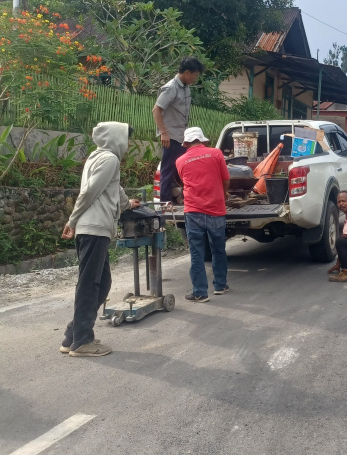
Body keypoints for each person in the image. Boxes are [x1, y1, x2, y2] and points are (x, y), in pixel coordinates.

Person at [60, 122, 140, 357]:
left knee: (102, 283)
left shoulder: (99, 158)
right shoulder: (110, 159)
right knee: (90, 284)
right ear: (116, 138)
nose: (127, 144)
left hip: (96, 229)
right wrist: (72, 221)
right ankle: (82, 342)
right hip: (93, 228)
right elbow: (89, 192)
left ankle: (72, 335)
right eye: (126, 139)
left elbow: (114, 188)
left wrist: (128, 204)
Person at [175, 127, 230, 303]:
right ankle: (220, 286)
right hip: (216, 209)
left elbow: (185, 183)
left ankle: (200, 292)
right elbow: (226, 179)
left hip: (193, 211)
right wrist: (223, 193)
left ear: (186, 143)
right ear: (203, 140)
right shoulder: (216, 154)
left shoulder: (180, 160)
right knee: (218, 250)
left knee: (197, 253)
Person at [152, 56, 206, 204]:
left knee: (183, 168)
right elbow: (156, 110)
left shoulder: (186, 88)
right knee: (167, 170)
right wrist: (164, 133)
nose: (195, 79)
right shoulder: (171, 88)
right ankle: (165, 203)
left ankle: (182, 198)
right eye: (195, 75)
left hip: (182, 136)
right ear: (187, 72)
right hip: (170, 137)